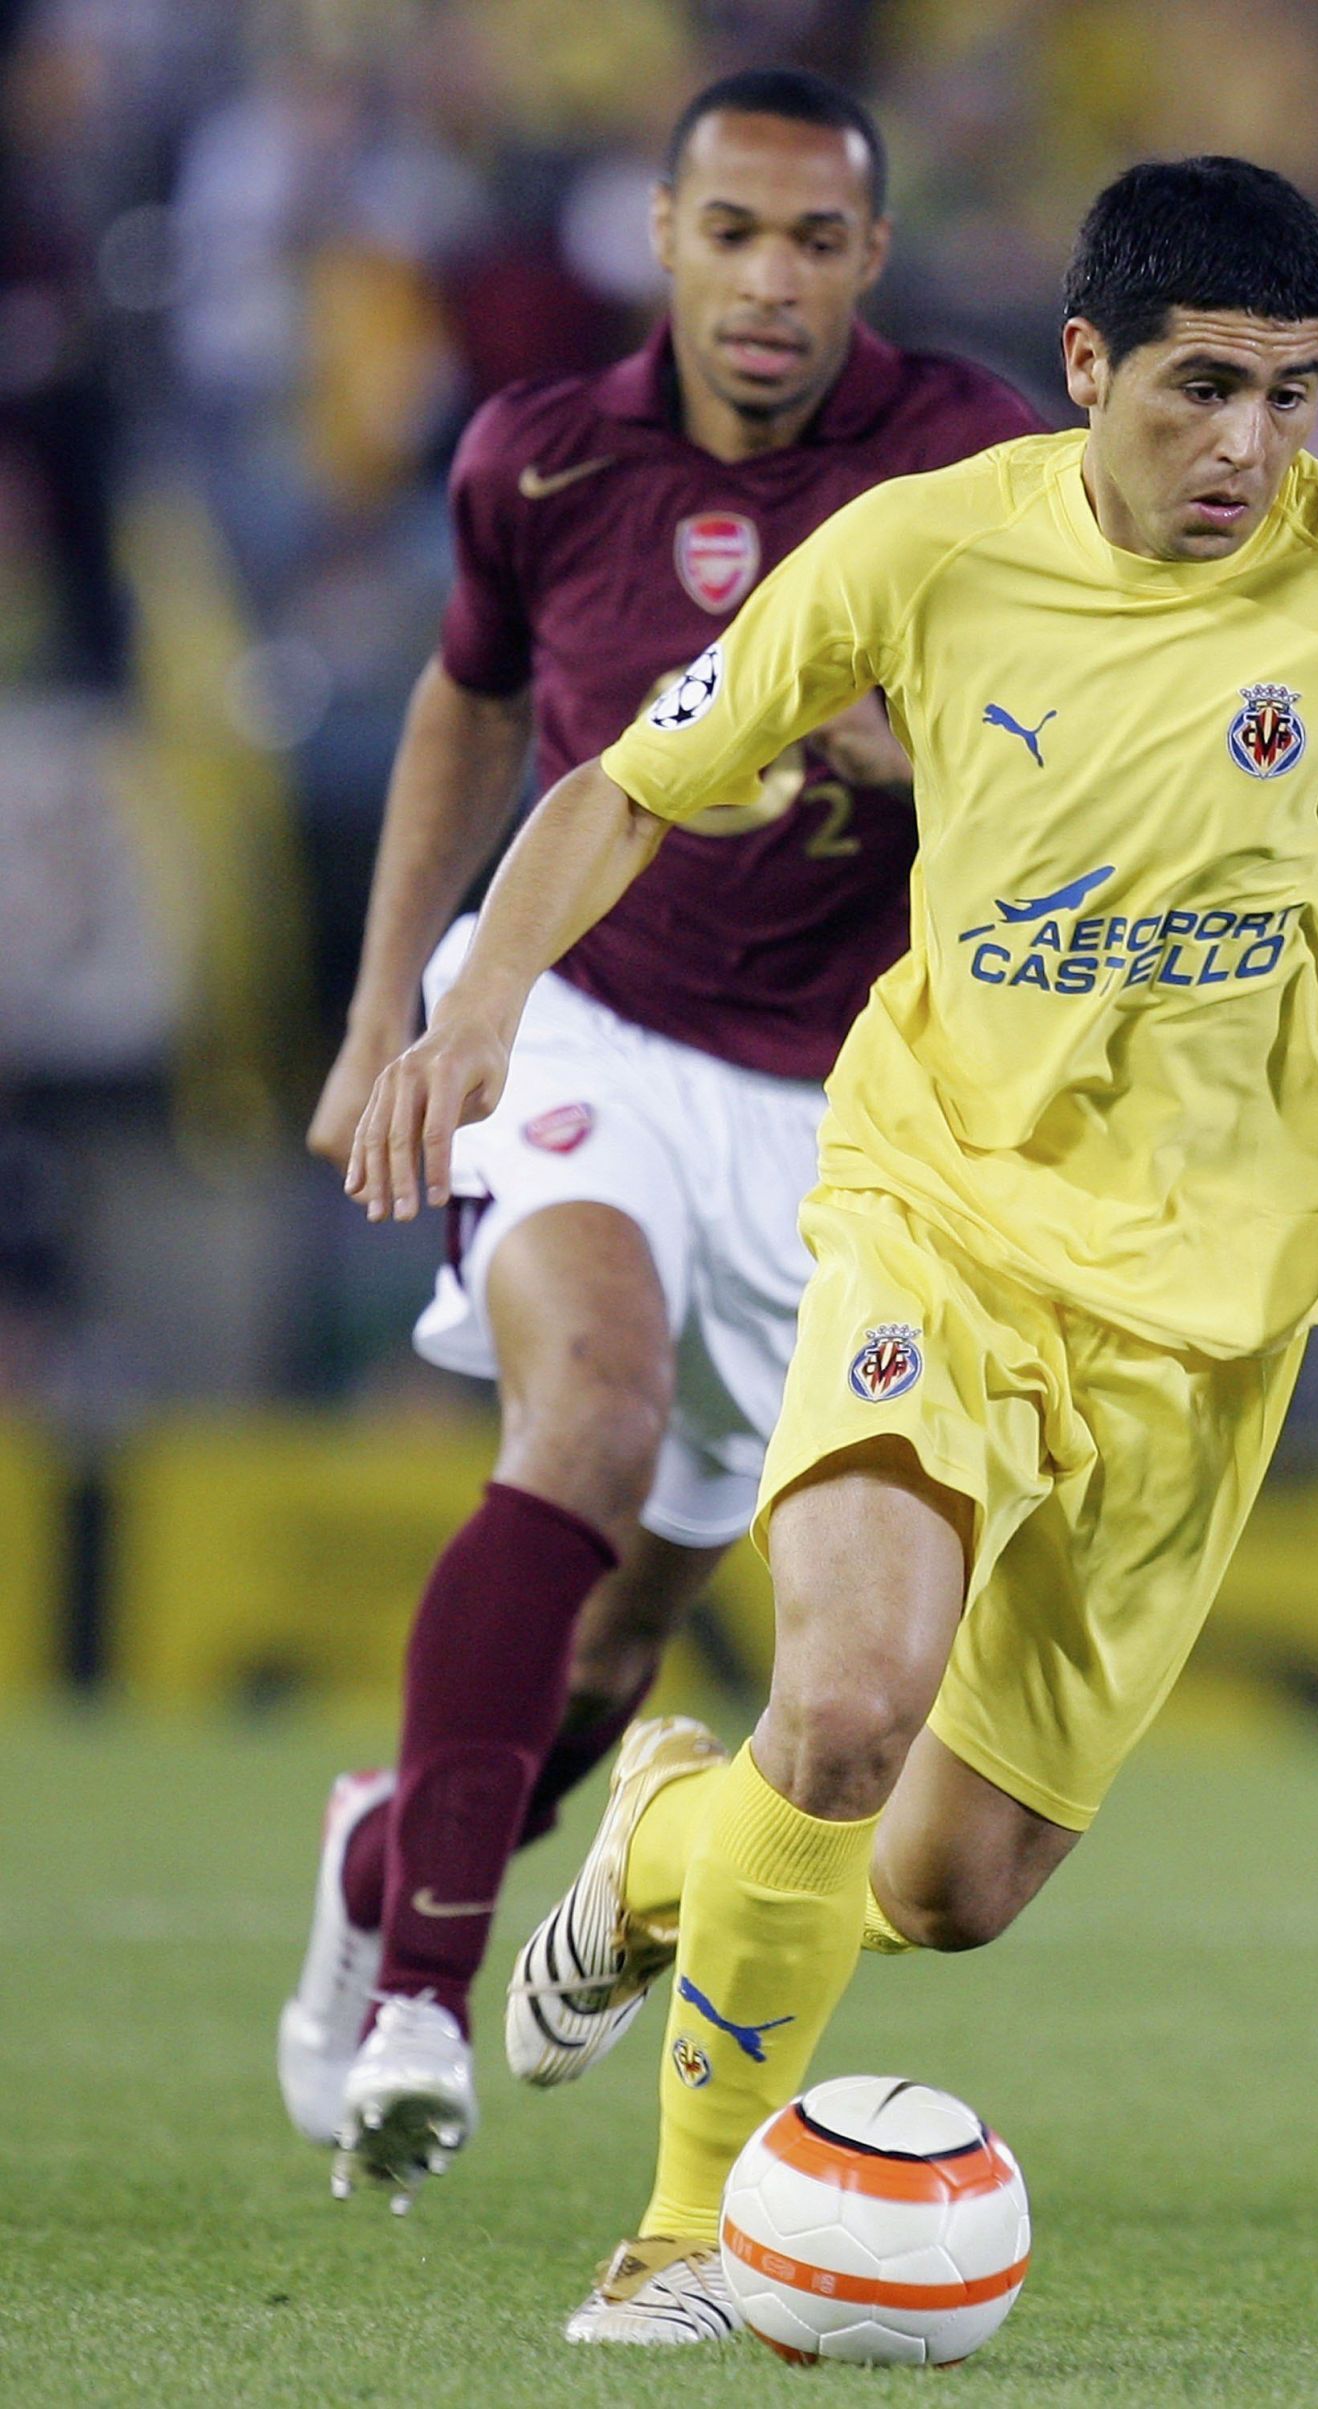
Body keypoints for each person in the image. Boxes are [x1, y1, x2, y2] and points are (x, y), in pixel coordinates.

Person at [349, 154, 1318, 2340]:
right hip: (935, 1212)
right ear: (1084, 368)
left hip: (1208, 1320)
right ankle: (676, 2240)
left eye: (1295, 396)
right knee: (842, 1713)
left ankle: (658, 1824)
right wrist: (467, 1005)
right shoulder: (925, 549)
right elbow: (638, 770)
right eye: (1201, 389)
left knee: (940, 1884)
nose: (1247, 446)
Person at [278, 65, 1039, 2204]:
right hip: (591, 1015)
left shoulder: (979, 462)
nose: (772, 282)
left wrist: (910, 758)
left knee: (615, 1655)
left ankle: (382, 1842)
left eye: (816, 241)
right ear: (666, 243)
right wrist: (384, 1008)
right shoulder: (541, 454)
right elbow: (466, 701)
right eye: (734, 233)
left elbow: (1066, 744)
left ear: (872, 260)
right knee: (586, 1417)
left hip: (848, 1117)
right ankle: (422, 1990)